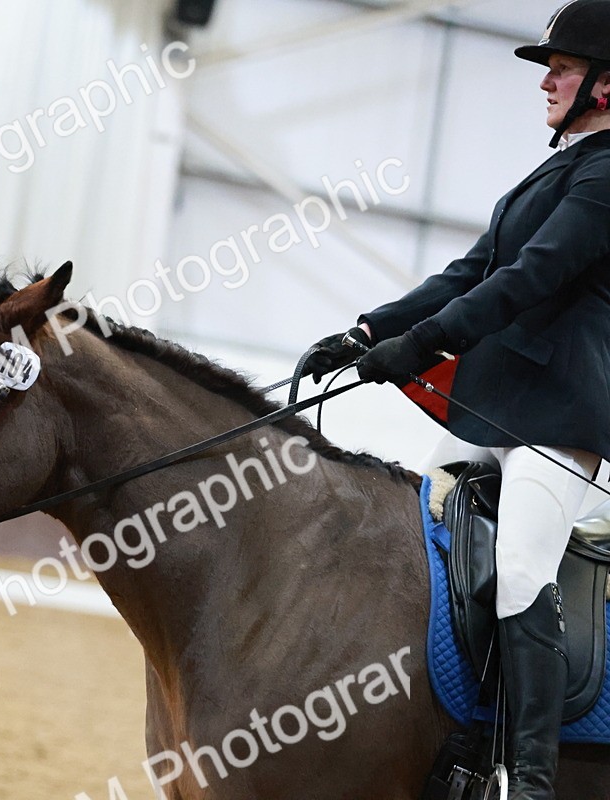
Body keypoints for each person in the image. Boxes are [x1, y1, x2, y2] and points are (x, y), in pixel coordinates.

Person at [305, 2, 610, 798]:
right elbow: (470, 270)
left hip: (560, 413)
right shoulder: (558, 166)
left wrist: (420, 346)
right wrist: (368, 331)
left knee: (519, 572)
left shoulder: (609, 174)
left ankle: (529, 777)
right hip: (495, 406)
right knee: (417, 531)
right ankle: (441, 728)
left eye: (563, 68)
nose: (547, 79)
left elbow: (528, 279)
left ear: (606, 87)